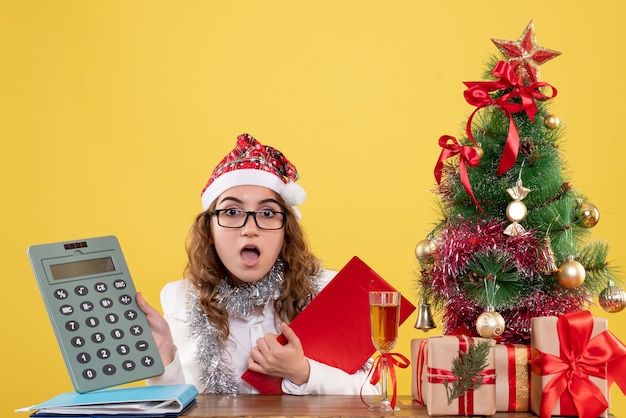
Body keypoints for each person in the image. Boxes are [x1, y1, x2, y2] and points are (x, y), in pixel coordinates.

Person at [137, 133, 380, 395]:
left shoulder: (327, 291)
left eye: (267, 213)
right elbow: (176, 406)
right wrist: (163, 359)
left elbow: (374, 393)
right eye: (231, 212)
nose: (250, 229)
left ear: (285, 229)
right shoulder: (179, 300)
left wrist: (303, 372)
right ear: (209, 230)